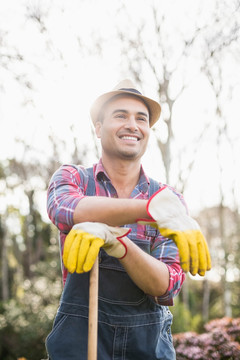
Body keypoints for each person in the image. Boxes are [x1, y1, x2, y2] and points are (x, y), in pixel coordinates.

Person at [45, 79, 211, 360]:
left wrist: (118, 244)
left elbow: (166, 285)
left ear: (148, 130)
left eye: (141, 118)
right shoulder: (72, 177)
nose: (132, 125)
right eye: (120, 115)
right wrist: (151, 211)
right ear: (98, 128)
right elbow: (63, 209)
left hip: (146, 346)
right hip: (80, 340)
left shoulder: (169, 198)